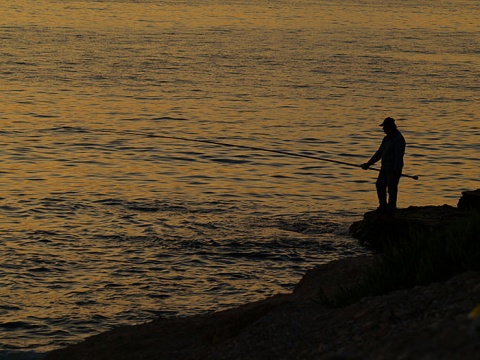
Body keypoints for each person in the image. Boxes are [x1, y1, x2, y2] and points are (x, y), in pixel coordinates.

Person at [361, 117, 406, 214]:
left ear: (390, 127)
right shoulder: (386, 138)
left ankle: (391, 208)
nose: (383, 129)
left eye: (384, 127)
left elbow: (399, 157)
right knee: (380, 185)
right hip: (384, 167)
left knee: (391, 188)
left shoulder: (398, 139)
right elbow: (379, 153)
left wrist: (395, 170)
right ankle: (383, 206)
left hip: (393, 169)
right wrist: (368, 163)